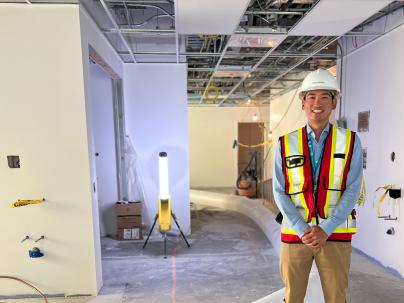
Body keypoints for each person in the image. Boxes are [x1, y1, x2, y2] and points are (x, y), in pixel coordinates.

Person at [272, 68, 363, 303]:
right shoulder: (285, 144)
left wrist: (327, 228)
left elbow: (353, 188)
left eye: (325, 97)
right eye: (311, 96)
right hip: (295, 235)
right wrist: (303, 228)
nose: (317, 103)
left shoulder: (350, 141)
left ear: (334, 102)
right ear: (302, 102)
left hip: (335, 235)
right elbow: (279, 191)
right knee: (292, 298)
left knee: (336, 298)